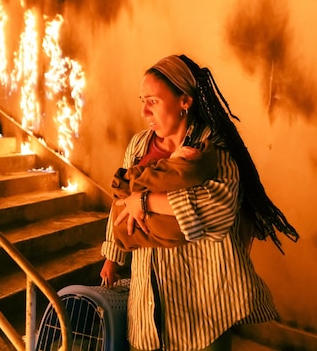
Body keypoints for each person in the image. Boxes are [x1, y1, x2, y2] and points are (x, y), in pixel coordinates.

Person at [100, 54, 299, 351]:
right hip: (149, 291)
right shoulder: (139, 146)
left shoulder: (213, 149)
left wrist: (143, 201)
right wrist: (112, 257)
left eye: (152, 101)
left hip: (204, 298)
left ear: (185, 101)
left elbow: (217, 212)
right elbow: (120, 201)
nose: (144, 110)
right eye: (142, 100)